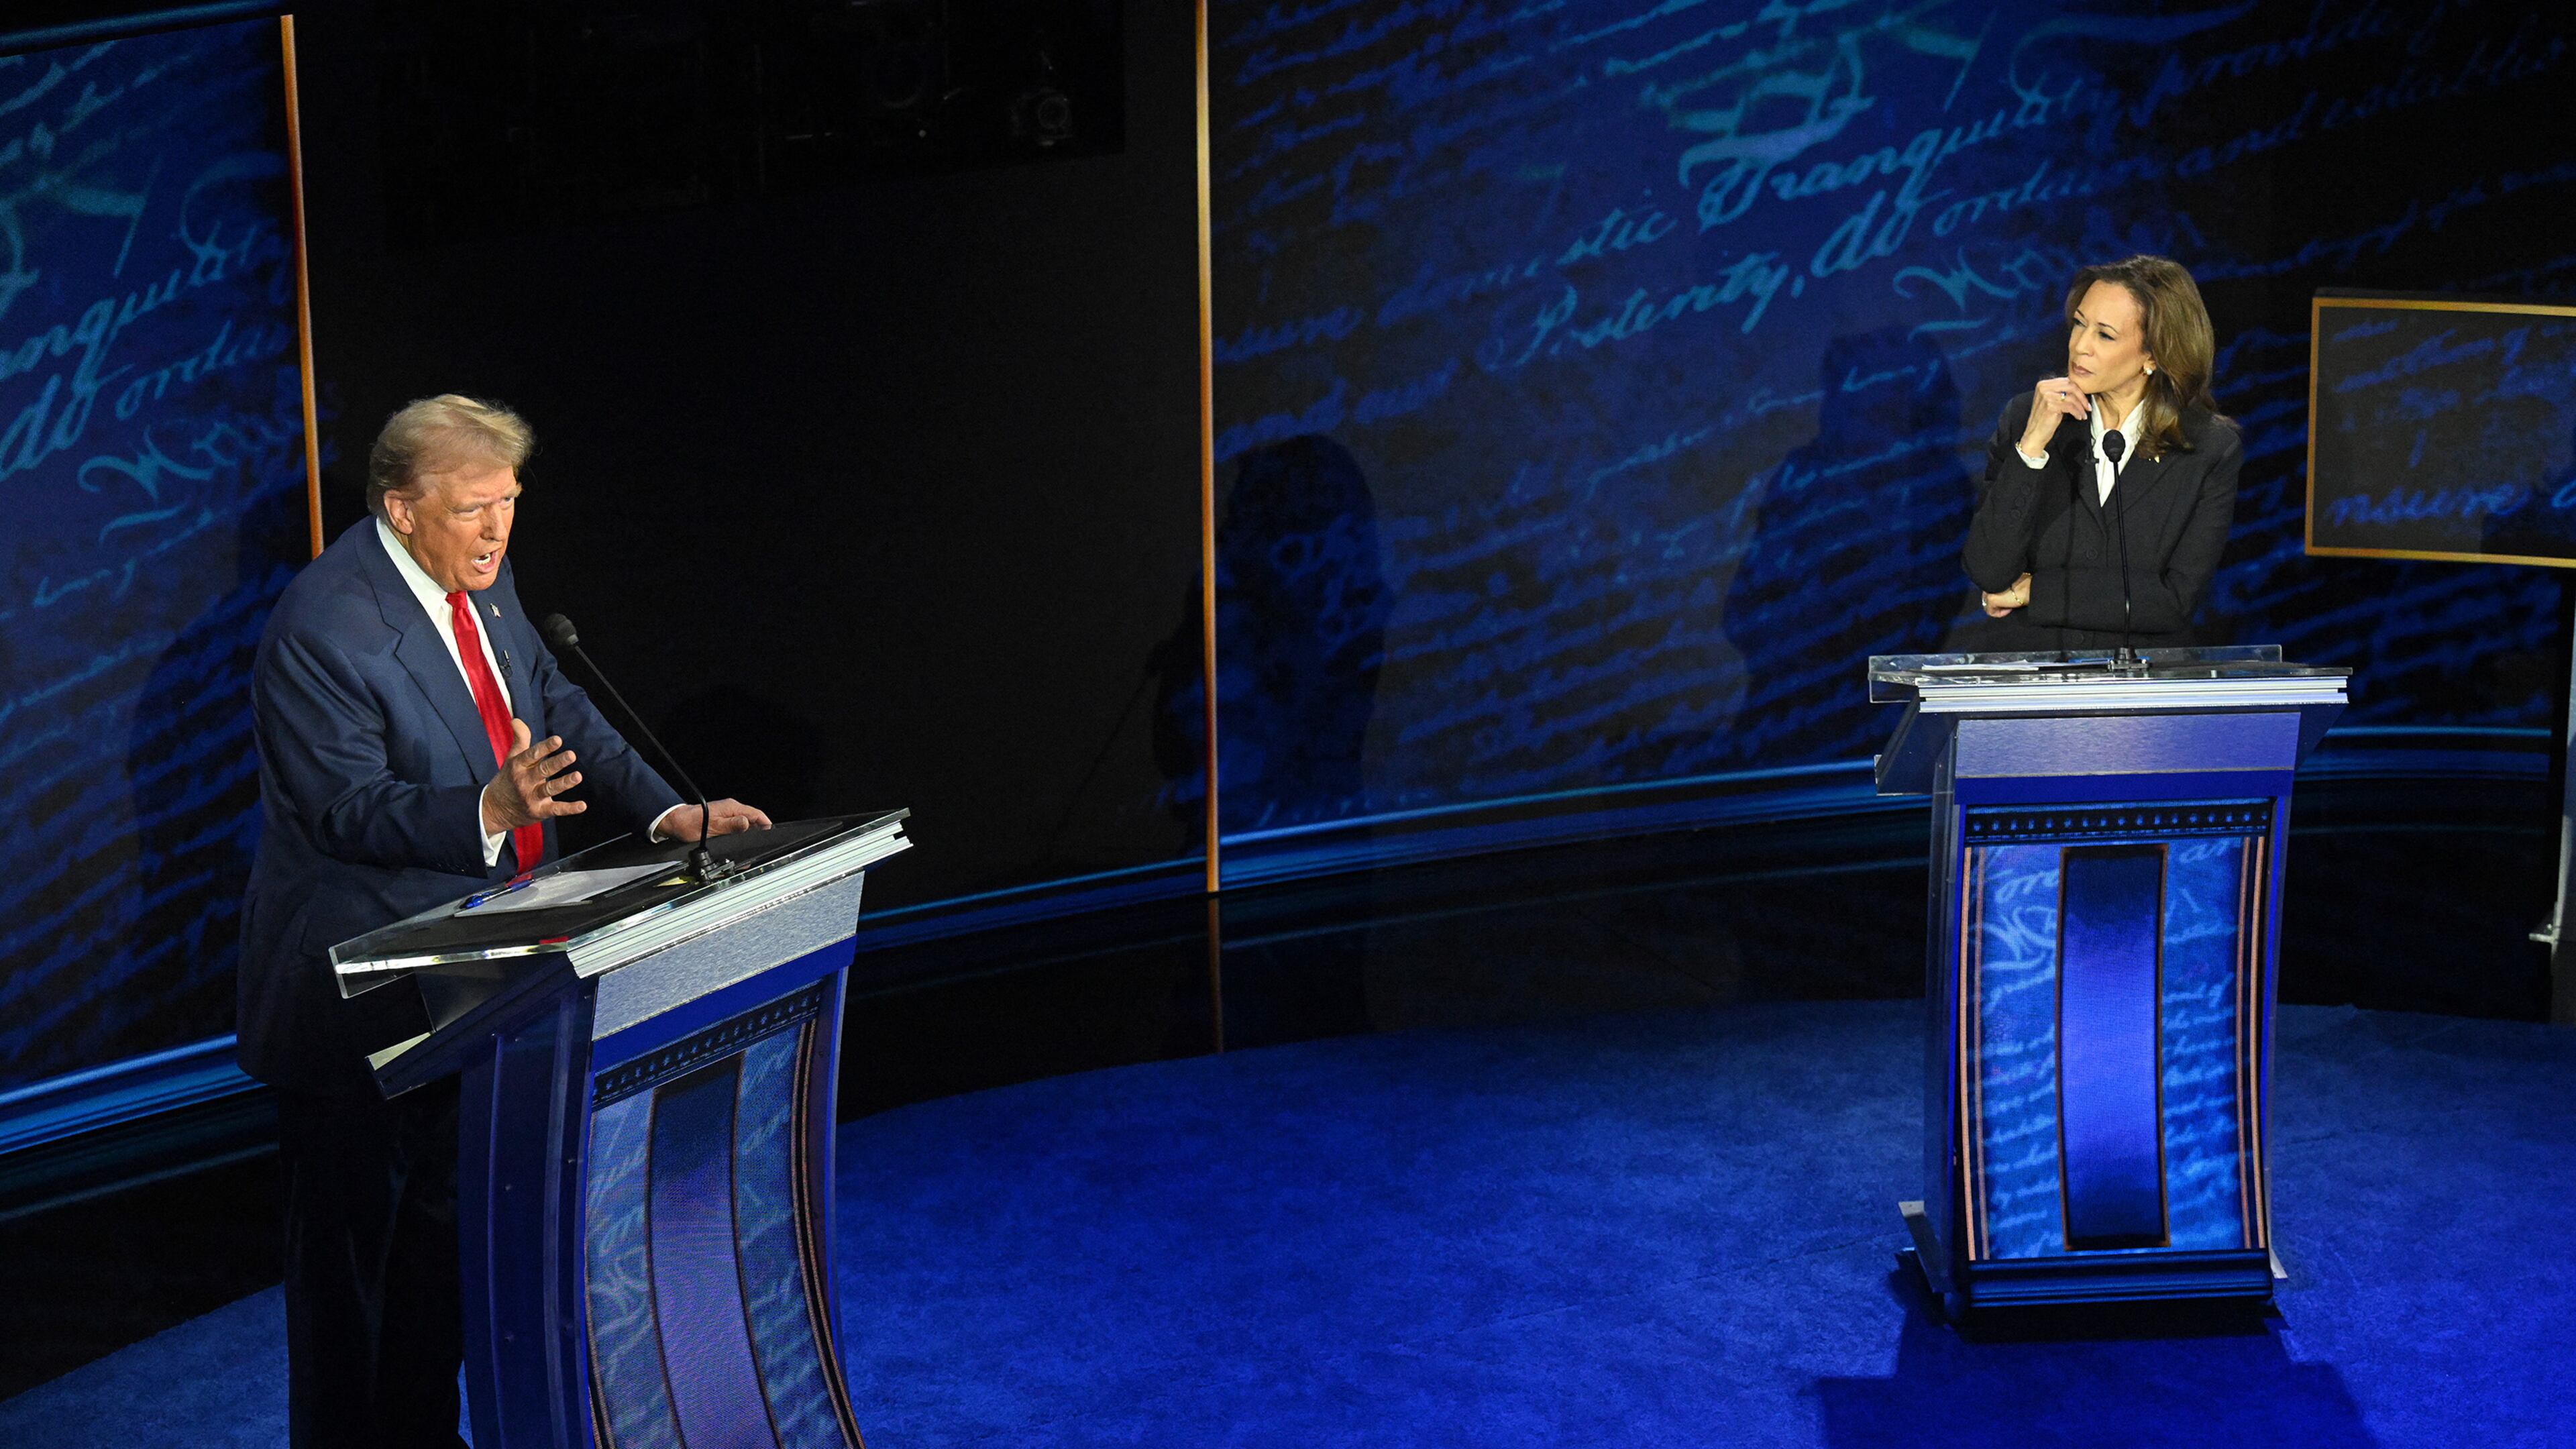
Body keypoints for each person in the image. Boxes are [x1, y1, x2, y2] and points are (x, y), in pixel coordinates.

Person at [237, 394, 771, 1447]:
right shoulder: (322, 629)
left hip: (488, 977)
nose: (497, 531)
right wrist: (487, 809)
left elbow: (552, 699)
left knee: (446, 1258)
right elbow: (343, 808)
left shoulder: (484, 579)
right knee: (354, 1292)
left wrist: (668, 807)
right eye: (473, 509)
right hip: (362, 999)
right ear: (400, 509)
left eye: (509, 504)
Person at [1961, 255, 2241, 651]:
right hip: (2031, 680)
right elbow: (1989, 571)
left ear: (2154, 355)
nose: (2080, 346)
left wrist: (2036, 592)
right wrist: (2032, 448)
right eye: (2079, 324)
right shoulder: (2027, 416)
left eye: (2104, 335)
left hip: (2141, 692)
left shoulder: (2208, 448)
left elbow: (2172, 601)